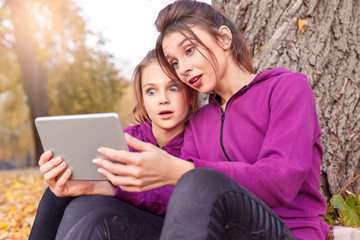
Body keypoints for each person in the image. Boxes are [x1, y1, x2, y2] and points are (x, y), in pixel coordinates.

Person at [58, 1, 329, 239]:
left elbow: (280, 179)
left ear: (224, 39)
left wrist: (182, 171)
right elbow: (175, 199)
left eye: (189, 51)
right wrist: (102, 187)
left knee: (198, 181)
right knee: (89, 207)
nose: (183, 69)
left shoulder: (286, 88)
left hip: (283, 230)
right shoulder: (199, 122)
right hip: (215, 231)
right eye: (174, 62)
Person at [28, 49, 199, 239]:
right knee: (60, 194)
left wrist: (113, 189)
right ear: (142, 100)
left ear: (190, 96)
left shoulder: (202, 139)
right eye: (151, 91)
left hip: (168, 228)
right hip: (116, 220)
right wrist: (60, 173)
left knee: (92, 209)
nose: (163, 99)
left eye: (173, 88)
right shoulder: (122, 140)